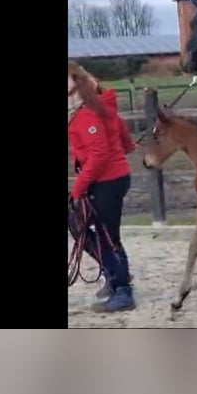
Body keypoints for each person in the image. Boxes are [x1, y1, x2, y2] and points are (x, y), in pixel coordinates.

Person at [68, 61, 137, 312]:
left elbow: (98, 156)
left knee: (105, 238)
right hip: (112, 179)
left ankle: (123, 291)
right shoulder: (102, 109)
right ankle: (116, 275)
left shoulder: (87, 115)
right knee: (97, 232)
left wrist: (77, 190)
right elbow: (126, 142)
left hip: (106, 182)